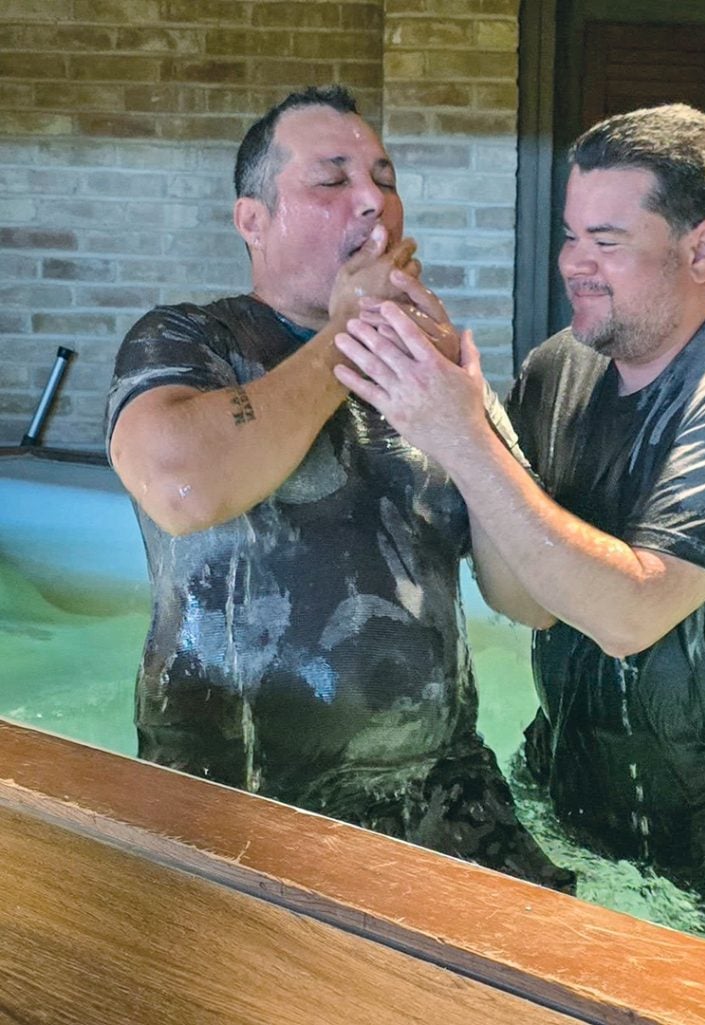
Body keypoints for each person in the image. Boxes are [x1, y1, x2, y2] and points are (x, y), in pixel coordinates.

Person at [333, 102, 705, 898]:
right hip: (566, 791)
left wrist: (469, 437)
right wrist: (471, 432)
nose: (574, 262)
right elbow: (524, 600)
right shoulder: (559, 369)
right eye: (571, 235)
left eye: (606, 242)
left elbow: (629, 616)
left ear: (701, 247)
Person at [105, 85, 573, 892]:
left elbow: (529, 600)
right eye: (332, 180)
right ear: (253, 220)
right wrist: (344, 337)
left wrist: (467, 428)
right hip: (236, 794)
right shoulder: (187, 340)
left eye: (385, 178)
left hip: (447, 796)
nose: (373, 201)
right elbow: (181, 485)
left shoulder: (437, 371)